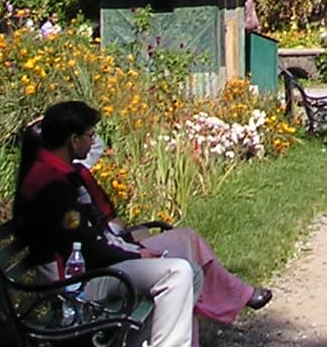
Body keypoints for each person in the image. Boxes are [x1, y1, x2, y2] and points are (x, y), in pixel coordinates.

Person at [15, 101, 270, 343]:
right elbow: (87, 248)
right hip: (76, 285)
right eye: (90, 135)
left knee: (189, 269)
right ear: (73, 140)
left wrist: (132, 248)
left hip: (93, 267)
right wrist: (136, 255)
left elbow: (92, 238)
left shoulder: (57, 172)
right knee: (177, 273)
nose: (93, 142)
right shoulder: (53, 184)